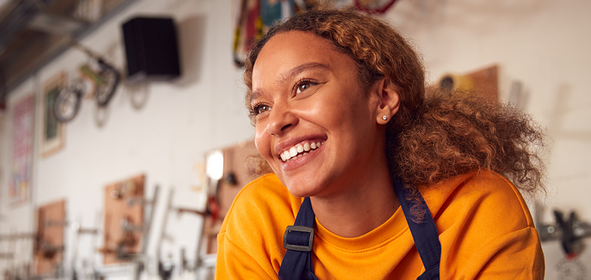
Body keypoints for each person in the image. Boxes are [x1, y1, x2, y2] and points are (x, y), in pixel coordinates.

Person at [216, 7, 546, 279]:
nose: (275, 122)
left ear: (383, 99)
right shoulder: (259, 218)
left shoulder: (474, 209)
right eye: (261, 107)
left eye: (304, 86)